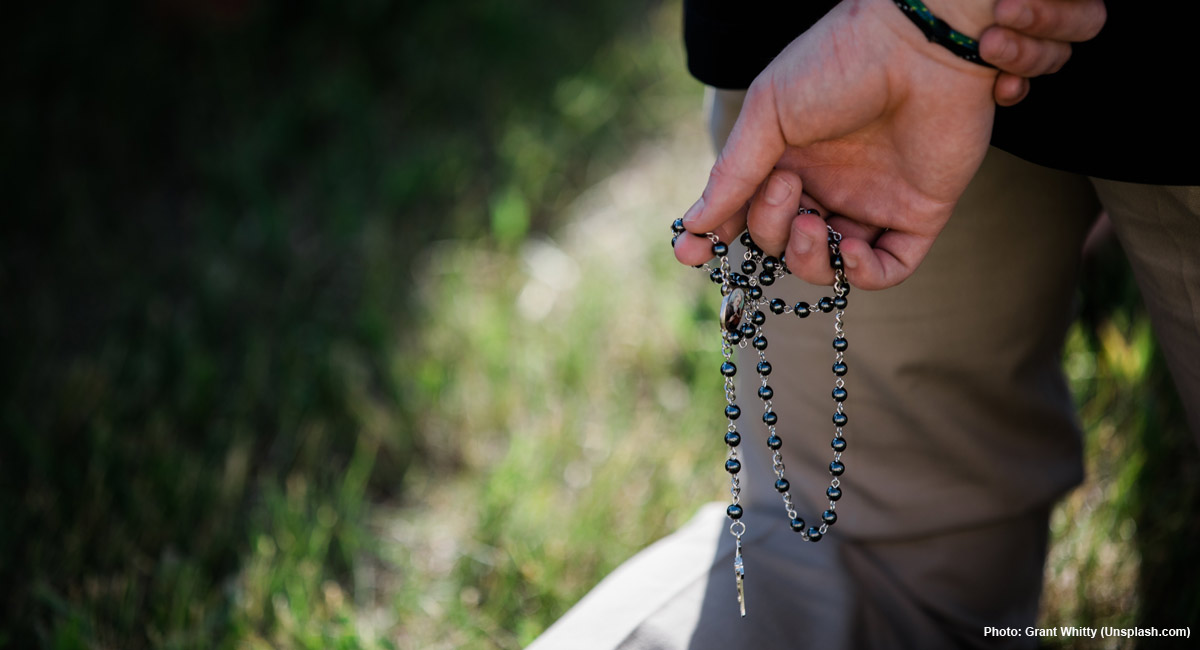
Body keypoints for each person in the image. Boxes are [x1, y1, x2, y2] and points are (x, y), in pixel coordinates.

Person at [530, 0, 1199, 647]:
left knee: (853, 559)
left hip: (823, 52)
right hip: (840, 86)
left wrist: (938, 23)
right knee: (844, 549)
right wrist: (936, 24)